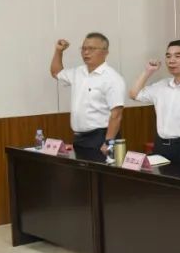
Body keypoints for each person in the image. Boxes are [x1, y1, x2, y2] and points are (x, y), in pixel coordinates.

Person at [129, 40, 180, 169]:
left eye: (177, 56)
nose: (171, 61)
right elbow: (134, 94)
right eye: (168, 56)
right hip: (161, 146)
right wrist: (148, 71)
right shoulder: (161, 85)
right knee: (159, 182)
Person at [50, 33, 126, 162]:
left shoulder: (112, 78)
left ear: (105, 52)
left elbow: (116, 114)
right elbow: (56, 72)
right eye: (84, 48)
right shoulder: (78, 72)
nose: (86, 52)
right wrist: (58, 51)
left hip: (101, 138)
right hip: (79, 138)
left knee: (101, 174)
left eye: (91, 49)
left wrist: (108, 142)